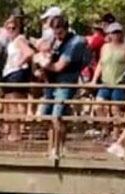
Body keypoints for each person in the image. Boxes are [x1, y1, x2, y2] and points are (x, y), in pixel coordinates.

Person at [41, 16, 89, 150]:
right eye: (55, 32)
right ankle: (52, 146)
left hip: (65, 83)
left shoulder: (75, 43)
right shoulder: (54, 40)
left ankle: (58, 148)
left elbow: (59, 66)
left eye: (60, 32)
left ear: (66, 29)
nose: (57, 35)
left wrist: (44, 63)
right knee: (46, 114)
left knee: (58, 115)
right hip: (52, 83)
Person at [92, 22, 125, 151]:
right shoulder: (105, 47)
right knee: (98, 105)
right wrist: (94, 79)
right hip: (105, 82)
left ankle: (115, 135)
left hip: (119, 83)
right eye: (111, 33)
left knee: (116, 109)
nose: (114, 35)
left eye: (116, 32)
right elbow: (100, 63)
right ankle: (105, 129)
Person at [0, 15, 34, 142]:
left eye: (13, 27)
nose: (11, 29)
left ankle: (16, 133)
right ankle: (17, 131)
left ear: (19, 28)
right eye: (8, 28)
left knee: (14, 104)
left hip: (15, 74)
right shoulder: (12, 41)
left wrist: (18, 64)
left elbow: (29, 53)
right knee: (12, 104)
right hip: (10, 74)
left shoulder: (19, 40)